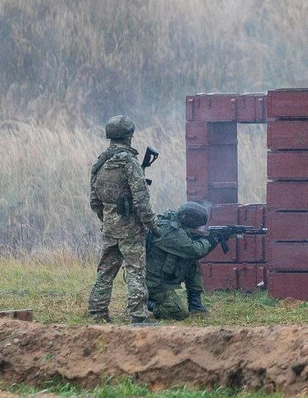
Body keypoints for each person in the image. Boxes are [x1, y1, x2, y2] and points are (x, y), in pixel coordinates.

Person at [88, 115, 159, 325]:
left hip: (109, 226)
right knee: (136, 270)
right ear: (129, 136)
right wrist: (152, 225)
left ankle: (98, 313)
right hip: (130, 227)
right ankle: (138, 317)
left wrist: (107, 218)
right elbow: (141, 199)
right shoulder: (129, 162)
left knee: (105, 271)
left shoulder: (100, 162)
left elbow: (94, 200)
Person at [146, 202, 220, 320]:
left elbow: (192, 253)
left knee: (192, 263)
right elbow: (194, 250)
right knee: (178, 313)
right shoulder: (170, 230)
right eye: (196, 225)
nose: (198, 228)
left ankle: (195, 305)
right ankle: (149, 304)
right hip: (154, 283)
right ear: (188, 220)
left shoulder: (177, 224)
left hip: (163, 277)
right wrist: (211, 241)